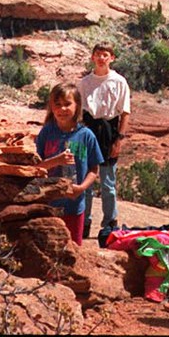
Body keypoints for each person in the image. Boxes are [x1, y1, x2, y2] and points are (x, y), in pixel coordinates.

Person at [36, 82, 103, 245]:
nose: (62, 109)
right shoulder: (46, 132)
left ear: (77, 105)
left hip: (74, 206)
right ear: (51, 107)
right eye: (57, 104)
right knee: (49, 249)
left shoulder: (86, 135)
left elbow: (94, 169)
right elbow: (36, 167)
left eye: (67, 104)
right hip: (48, 204)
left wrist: (81, 188)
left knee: (73, 250)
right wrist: (56, 161)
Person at [78, 43, 132, 239]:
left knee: (108, 182)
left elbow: (125, 113)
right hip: (87, 131)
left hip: (109, 131)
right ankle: (84, 220)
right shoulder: (84, 83)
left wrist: (119, 140)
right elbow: (79, 113)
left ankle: (109, 222)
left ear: (112, 58)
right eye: (98, 55)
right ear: (93, 58)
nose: (101, 58)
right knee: (85, 179)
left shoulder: (119, 81)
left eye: (105, 55)